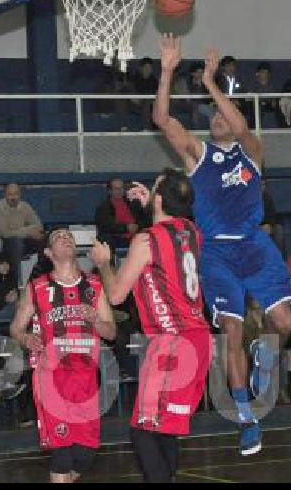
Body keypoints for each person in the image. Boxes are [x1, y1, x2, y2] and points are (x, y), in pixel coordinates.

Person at [152, 33, 291, 456]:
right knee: (231, 331)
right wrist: (167, 70)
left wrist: (212, 83)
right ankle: (247, 419)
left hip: (255, 245)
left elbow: (240, 126)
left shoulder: (252, 152)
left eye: (224, 115)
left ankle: (267, 359)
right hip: (217, 252)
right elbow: (162, 118)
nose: (218, 119)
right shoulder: (199, 157)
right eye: (213, 115)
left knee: (287, 324)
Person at [89, 169, 211, 483]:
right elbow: (163, 239)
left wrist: (103, 263)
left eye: (154, 187)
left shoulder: (145, 240)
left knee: (143, 430)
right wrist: (150, 209)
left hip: (171, 341)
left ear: (158, 198)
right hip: (198, 339)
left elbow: (116, 295)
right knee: (164, 430)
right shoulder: (191, 230)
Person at [10, 227, 116, 484]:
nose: (66, 239)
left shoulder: (94, 285)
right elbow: (15, 327)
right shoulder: (37, 287)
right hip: (51, 378)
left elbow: (111, 332)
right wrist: (25, 338)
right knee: (62, 455)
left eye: (68, 236)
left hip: (86, 378)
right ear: (48, 253)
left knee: (86, 453)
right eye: (59, 238)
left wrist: (96, 322)